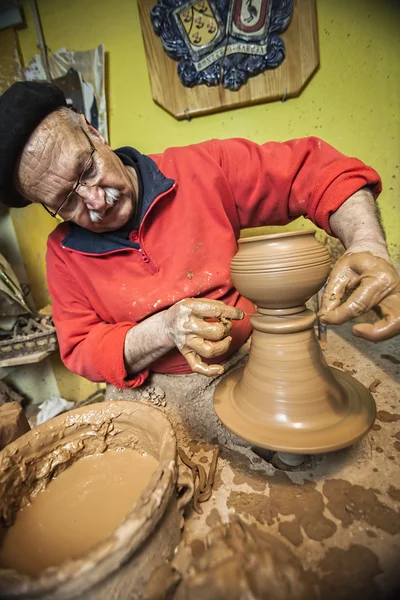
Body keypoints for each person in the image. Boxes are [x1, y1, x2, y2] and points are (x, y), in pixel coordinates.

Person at [0, 82, 399, 390]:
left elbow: (315, 171)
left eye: (87, 170)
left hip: (256, 359)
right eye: (66, 200)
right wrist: (162, 330)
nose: (96, 200)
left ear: (94, 133)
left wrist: (368, 243)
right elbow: (80, 348)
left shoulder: (201, 169)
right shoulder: (64, 253)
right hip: (156, 388)